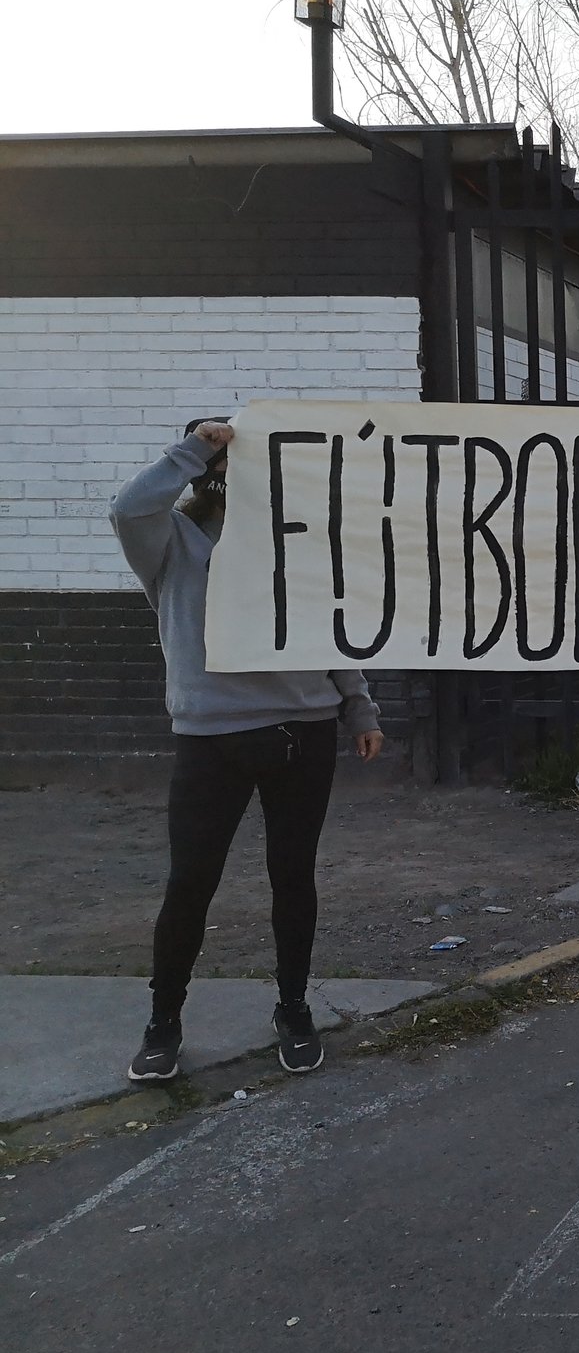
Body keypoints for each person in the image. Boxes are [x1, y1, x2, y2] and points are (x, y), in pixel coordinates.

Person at [110, 417, 383, 1082]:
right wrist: (199, 445)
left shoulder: (298, 541)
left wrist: (358, 705)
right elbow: (127, 506)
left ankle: (293, 1009)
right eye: (227, 464)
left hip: (304, 729)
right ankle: (163, 1021)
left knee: (293, 877)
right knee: (190, 883)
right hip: (212, 738)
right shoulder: (170, 539)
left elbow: (328, 626)